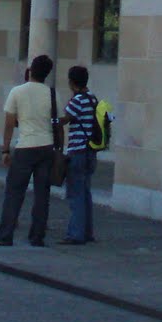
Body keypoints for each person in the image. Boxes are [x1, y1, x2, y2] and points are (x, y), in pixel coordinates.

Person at [0, 54, 57, 248]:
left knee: (14, 192)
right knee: (42, 194)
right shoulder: (52, 93)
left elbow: (9, 124)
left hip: (25, 146)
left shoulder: (17, 91)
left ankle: (5, 234)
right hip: (47, 145)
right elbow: (56, 122)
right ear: (47, 74)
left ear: (31, 70)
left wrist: (5, 149)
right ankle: (37, 236)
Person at [57, 64, 99, 245]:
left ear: (71, 82)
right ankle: (87, 232)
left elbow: (64, 120)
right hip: (91, 152)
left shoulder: (77, 101)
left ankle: (76, 234)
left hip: (78, 151)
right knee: (86, 193)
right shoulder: (92, 99)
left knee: (75, 195)